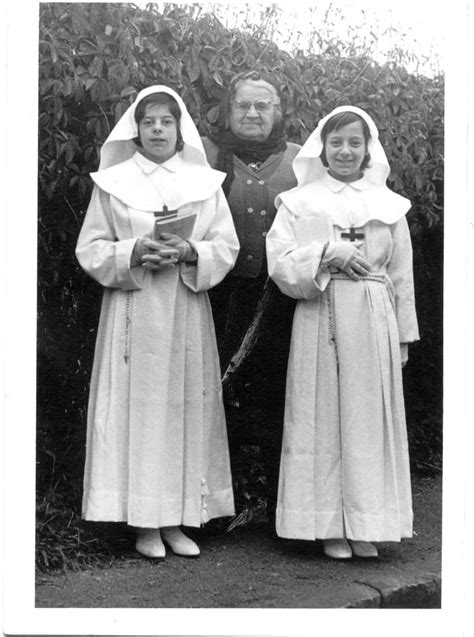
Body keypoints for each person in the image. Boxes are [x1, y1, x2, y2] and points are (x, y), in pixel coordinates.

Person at [76, 85, 239, 559]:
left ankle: (177, 519)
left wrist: (191, 250)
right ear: (136, 128)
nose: (158, 130)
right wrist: (133, 250)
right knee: (141, 411)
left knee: (183, 408)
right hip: (135, 308)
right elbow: (91, 247)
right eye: (149, 122)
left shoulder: (204, 182)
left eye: (167, 121)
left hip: (185, 307)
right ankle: (145, 523)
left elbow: (225, 245)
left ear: (179, 127)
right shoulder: (113, 182)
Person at [266, 105, 419, 559]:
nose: (346, 151)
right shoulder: (299, 201)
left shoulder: (388, 205)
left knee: (367, 421)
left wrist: (404, 336)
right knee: (321, 417)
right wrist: (326, 254)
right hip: (321, 316)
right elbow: (279, 261)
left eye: (355, 142)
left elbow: (402, 273)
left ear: (368, 149)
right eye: (337, 143)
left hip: (374, 317)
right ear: (322, 148)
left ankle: (365, 523)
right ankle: (327, 526)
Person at [202, 70, 300, 408]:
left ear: (278, 112)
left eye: (263, 105)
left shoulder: (303, 161)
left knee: (273, 388)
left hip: (280, 298)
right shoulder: (203, 155)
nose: (253, 113)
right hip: (216, 293)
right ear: (228, 112)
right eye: (242, 105)